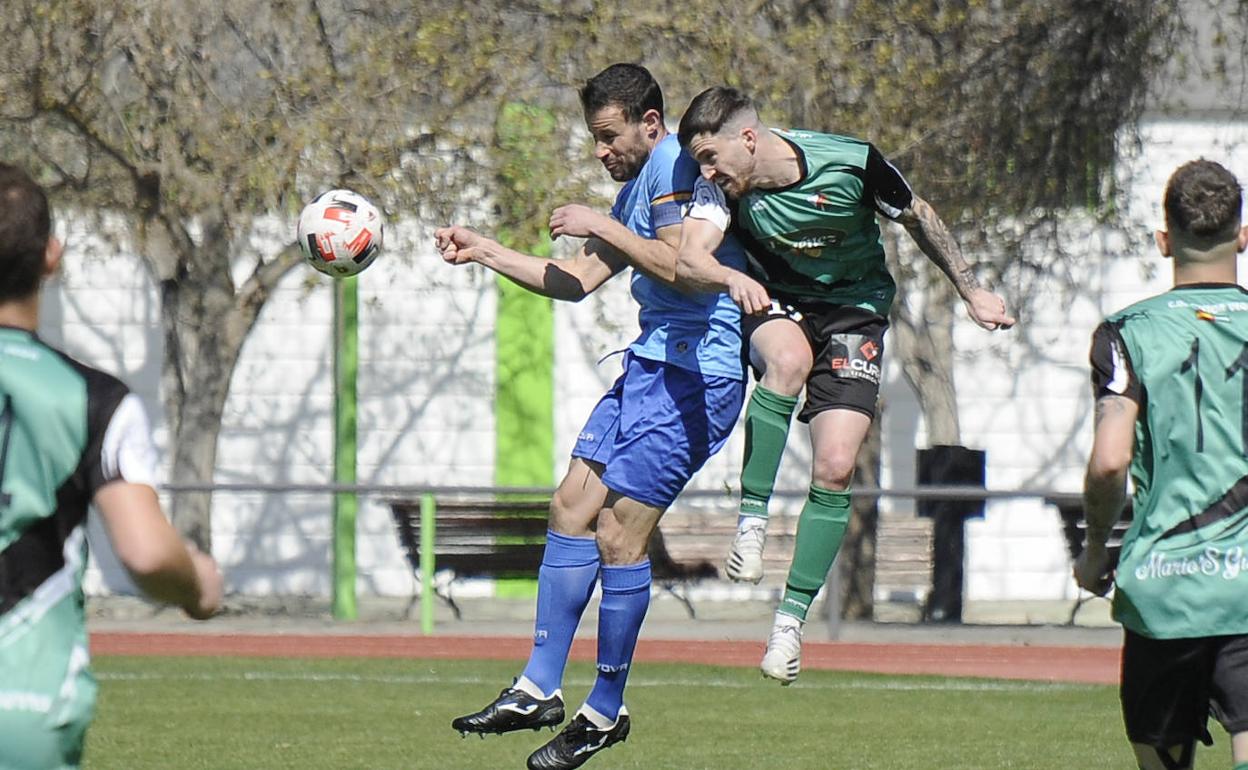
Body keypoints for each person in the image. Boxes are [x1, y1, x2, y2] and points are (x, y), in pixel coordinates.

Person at [436, 64, 747, 770]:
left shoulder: (673, 168)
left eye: (610, 137)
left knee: (617, 532)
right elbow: (577, 280)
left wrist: (599, 222)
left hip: (698, 376)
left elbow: (684, 266)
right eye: (595, 139)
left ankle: (605, 710)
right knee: (571, 505)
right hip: (651, 366)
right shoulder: (639, 186)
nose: (602, 151)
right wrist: (485, 250)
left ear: (650, 123)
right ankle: (538, 689)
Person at [673, 86, 1014, 684]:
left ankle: (789, 625)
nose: (705, 171)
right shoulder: (719, 189)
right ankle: (751, 524)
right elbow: (690, 256)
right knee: (785, 363)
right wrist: (730, 278)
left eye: (710, 157)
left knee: (834, 467)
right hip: (779, 300)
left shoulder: (852, 162)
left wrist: (970, 289)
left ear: (747, 139)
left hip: (855, 313)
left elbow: (917, 215)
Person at [0, 163, 224, 769]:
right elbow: (146, 554)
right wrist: (197, 582)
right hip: (24, 707)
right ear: (52, 257)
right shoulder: (92, 398)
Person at [1075, 159, 1248, 770]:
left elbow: (1109, 461)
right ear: (1243, 237)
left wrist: (1094, 550)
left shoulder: (1127, 332)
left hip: (1165, 585)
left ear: (1163, 240)